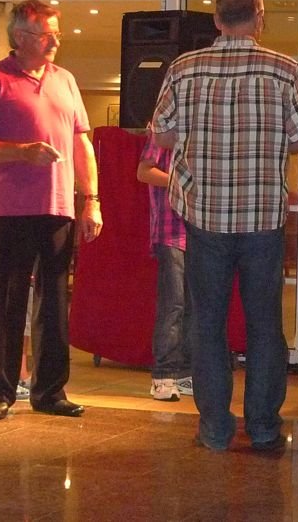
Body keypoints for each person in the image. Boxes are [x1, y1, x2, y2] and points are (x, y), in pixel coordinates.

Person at [150, 0, 298, 451]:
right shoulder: (284, 69)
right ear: (259, 18)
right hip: (262, 219)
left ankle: (214, 429)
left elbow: (160, 134)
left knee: (207, 323)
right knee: (265, 324)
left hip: (204, 217)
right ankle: (262, 427)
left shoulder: (184, 68)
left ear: (217, 19)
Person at [0, 0, 102, 421]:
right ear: (21, 37)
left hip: (57, 207)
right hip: (8, 209)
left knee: (55, 302)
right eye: (47, 35)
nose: (55, 42)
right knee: (7, 301)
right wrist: (21, 152)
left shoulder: (65, 80)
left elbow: (81, 142)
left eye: (57, 34)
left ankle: (50, 392)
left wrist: (91, 200)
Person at [137, 132, 192, 402]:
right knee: (174, 303)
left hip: (200, 231)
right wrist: (180, 182)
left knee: (195, 306)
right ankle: (163, 375)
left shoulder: (203, 126)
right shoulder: (163, 130)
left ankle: (184, 373)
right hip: (171, 230)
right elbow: (143, 171)